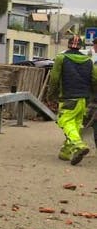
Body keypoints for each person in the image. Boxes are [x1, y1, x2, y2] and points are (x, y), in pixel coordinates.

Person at [46, 35, 97, 164]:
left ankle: (79, 145)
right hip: (83, 100)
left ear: (68, 45)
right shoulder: (89, 61)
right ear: (81, 46)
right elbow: (95, 80)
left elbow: (54, 79)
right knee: (75, 125)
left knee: (65, 121)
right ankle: (66, 152)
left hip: (68, 97)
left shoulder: (61, 58)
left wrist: (51, 96)